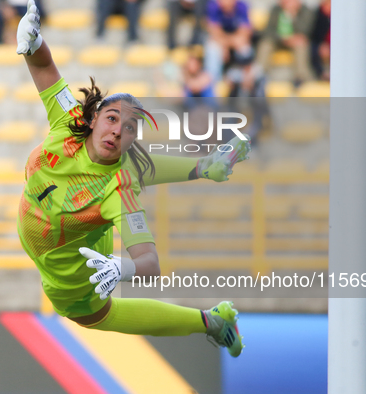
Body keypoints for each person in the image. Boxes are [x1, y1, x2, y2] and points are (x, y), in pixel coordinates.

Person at [15, 0, 250, 355]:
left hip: (75, 274)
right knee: (134, 167)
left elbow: (150, 264)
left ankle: (211, 322)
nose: (116, 130)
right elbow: (44, 65)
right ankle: (208, 166)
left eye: (129, 128)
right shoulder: (69, 119)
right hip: (67, 234)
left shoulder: (118, 190)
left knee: (95, 315)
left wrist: (121, 268)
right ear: (93, 118)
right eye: (111, 118)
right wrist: (33, 42)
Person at [255, 0, 315, 85]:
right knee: (265, 44)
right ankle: (259, 74)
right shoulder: (276, 10)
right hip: (278, 40)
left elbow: (305, 31)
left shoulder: (306, 11)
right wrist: (282, 38)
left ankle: (301, 77)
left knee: (301, 44)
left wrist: (291, 15)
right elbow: (268, 31)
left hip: (295, 41)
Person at [310, 0, 330, 80]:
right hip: (321, 44)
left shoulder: (341, 15)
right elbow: (315, 34)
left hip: (335, 45)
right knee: (313, 50)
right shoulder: (317, 14)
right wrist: (322, 44)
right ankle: (321, 74)